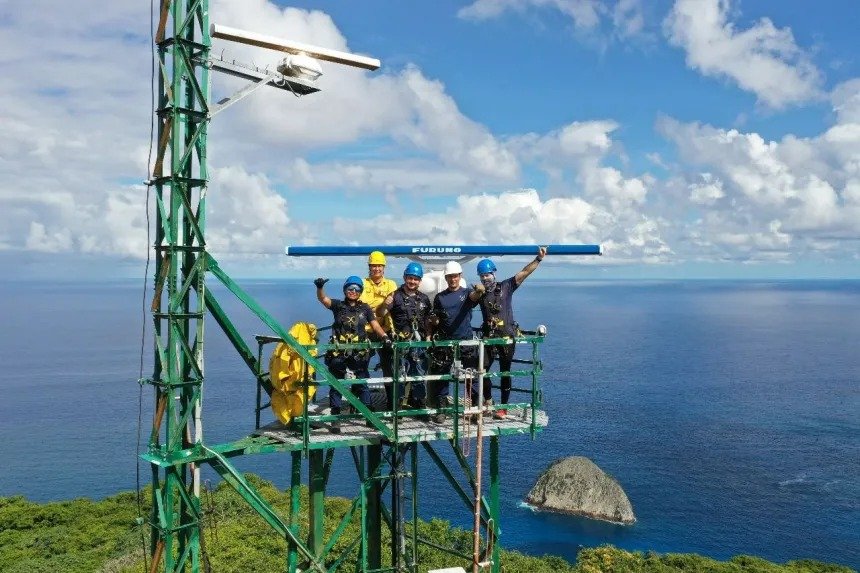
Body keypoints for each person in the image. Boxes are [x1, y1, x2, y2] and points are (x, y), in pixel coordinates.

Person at [474, 246, 547, 419]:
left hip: (506, 338)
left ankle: (504, 408)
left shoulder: (507, 286)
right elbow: (469, 299)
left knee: (505, 372)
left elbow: (524, 273)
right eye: (482, 276)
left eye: (487, 275)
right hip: (489, 338)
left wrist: (538, 259)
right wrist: (477, 291)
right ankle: (489, 401)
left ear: (494, 274)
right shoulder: (480, 292)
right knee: (481, 370)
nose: (485, 278)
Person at [315, 275, 392, 433]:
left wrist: (384, 336)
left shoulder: (365, 308)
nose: (353, 291)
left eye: (357, 289)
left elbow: (375, 324)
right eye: (350, 289)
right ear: (345, 290)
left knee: (362, 384)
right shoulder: (338, 305)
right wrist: (320, 288)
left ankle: (368, 417)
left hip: (358, 353)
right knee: (336, 385)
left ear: (360, 292)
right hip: (339, 353)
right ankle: (335, 420)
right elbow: (324, 300)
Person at [427, 261, 485, 424]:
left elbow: (475, 296)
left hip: (465, 341)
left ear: (460, 277)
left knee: (471, 376)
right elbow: (436, 320)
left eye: (455, 276)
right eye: (450, 276)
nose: (453, 279)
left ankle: (473, 409)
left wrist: (480, 290)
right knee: (443, 376)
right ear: (446, 278)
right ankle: (442, 409)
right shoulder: (440, 298)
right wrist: (434, 322)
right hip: (446, 342)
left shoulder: (467, 293)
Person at [376, 262, 432, 412]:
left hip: (418, 344)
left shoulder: (424, 299)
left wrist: (428, 337)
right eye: (410, 278)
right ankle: (397, 407)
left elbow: (427, 321)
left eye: (415, 279)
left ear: (420, 281)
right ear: (404, 277)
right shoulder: (395, 296)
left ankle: (420, 405)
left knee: (419, 374)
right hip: (399, 343)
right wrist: (384, 304)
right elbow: (380, 314)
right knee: (399, 376)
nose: (412, 281)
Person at [359, 251, 398, 396]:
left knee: (389, 367)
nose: (376, 269)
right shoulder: (362, 283)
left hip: (385, 331)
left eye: (379, 266)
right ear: (369, 267)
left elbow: (393, 306)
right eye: (373, 265)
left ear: (384, 267)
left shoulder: (391, 284)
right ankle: (363, 401)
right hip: (366, 331)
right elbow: (360, 305)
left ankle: (391, 401)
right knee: (361, 367)